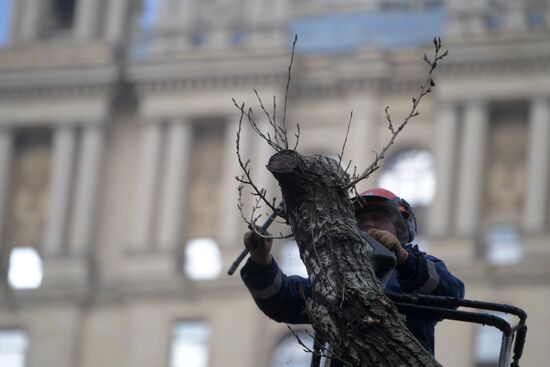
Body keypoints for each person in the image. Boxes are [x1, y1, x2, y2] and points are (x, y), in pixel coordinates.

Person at [240, 187, 464, 359]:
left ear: (401, 227)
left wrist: (404, 260)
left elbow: (451, 294)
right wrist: (262, 262)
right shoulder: (338, 277)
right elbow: (283, 300)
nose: (368, 226)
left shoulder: (419, 267)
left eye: (378, 218)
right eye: (360, 221)